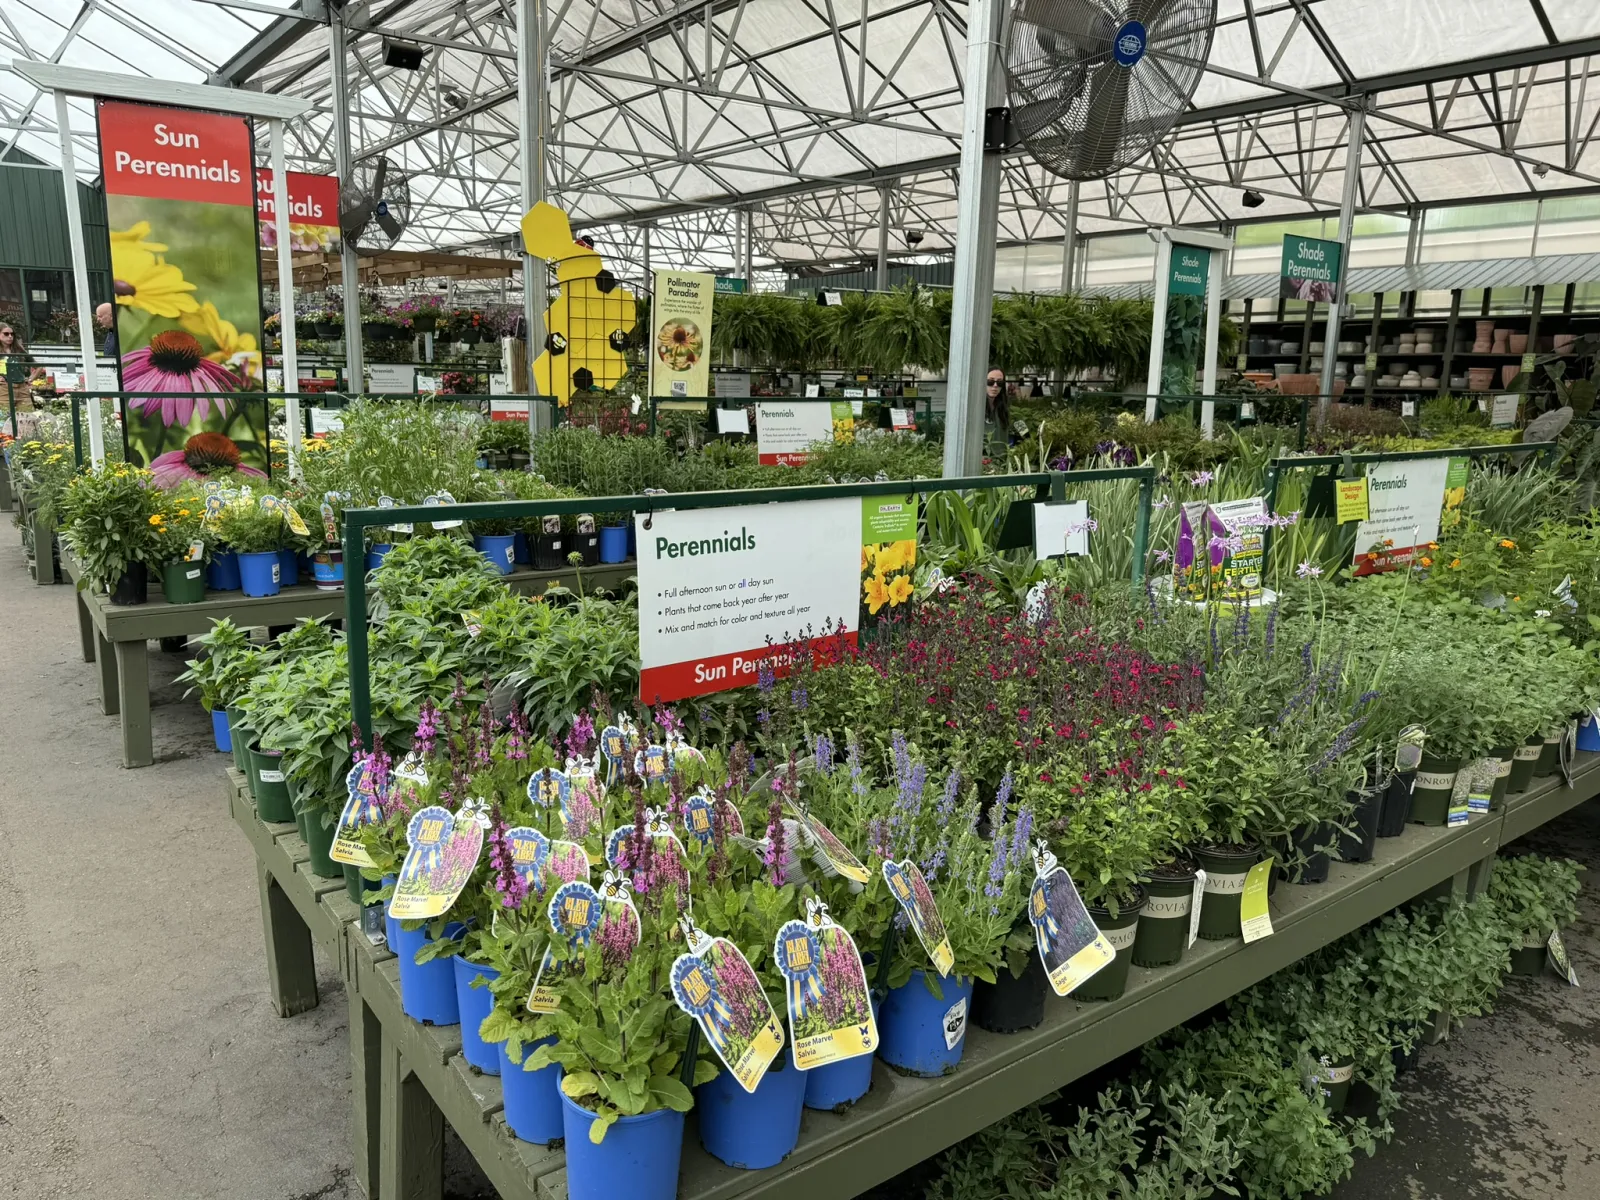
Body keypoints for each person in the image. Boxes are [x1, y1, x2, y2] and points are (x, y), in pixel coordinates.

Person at [984, 367, 1011, 449]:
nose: (995, 385)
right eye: (990, 381)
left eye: (999, 382)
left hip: (1001, 459)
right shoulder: (974, 408)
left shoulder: (1003, 409)